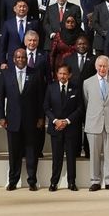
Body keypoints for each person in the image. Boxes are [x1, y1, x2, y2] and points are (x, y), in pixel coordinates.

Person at [0, 47, 46, 191]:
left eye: (23, 57)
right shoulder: (6, 74)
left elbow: (40, 98)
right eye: (18, 57)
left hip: (31, 120)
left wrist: (40, 117)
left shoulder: (35, 73)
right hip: (12, 120)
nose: (21, 60)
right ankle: (13, 180)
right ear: (13, 59)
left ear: (27, 59)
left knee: (32, 151)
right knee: (14, 153)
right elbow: (1, 97)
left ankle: (32, 180)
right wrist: (1, 116)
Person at [83, 56, 109, 191]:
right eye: (100, 66)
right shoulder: (87, 83)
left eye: (105, 66)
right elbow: (87, 102)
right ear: (96, 67)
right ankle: (95, 181)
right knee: (94, 154)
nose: (102, 68)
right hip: (94, 123)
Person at [44, 63, 84, 191]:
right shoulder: (51, 88)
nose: (62, 76)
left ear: (70, 75)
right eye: (60, 73)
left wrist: (67, 121)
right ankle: (54, 182)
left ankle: (71, 182)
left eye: (65, 73)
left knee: (71, 157)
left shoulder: (76, 88)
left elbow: (80, 108)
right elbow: (46, 107)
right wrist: (56, 121)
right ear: (56, 74)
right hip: (56, 128)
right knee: (57, 157)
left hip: (71, 128)